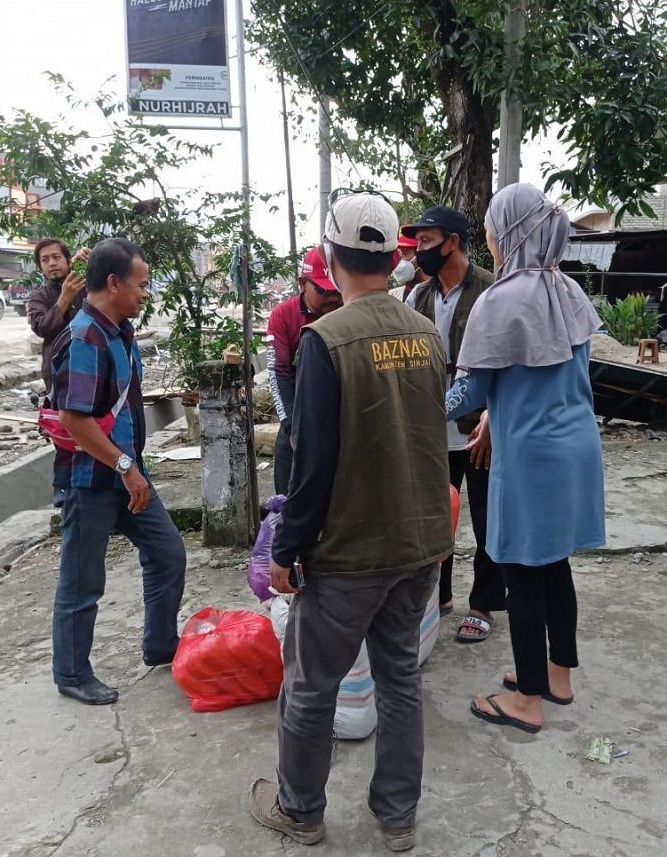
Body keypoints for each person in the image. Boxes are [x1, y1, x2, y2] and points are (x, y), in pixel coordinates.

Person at [249, 192, 452, 851]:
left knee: (311, 686)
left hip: (350, 551)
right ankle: (397, 816)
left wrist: (286, 549)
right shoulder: (426, 332)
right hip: (419, 540)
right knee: (399, 679)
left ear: (330, 256)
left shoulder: (325, 339)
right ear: (393, 256)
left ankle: (299, 810)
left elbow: (311, 463)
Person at [444, 183, 605, 733]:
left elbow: (469, 392)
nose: (488, 234)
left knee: (520, 571)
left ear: (509, 231)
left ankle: (526, 702)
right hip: (576, 447)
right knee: (553, 563)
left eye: (492, 225)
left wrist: (417, 406)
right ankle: (557, 676)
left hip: (532, 456)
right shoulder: (568, 291)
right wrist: (499, 409)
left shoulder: (500, 299)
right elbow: (552, 374)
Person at [49, 238, 186, 705]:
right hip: (92, 480)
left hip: (127, 473)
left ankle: (160, 644)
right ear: (113, 283)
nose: (145, 293)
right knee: (83, 580)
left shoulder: (119, 332)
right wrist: (125, 466)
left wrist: (131, 467)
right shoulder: (84, 338)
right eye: (141, 285)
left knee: (167, 553)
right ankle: (71, 674)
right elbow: (74, 419)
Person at [402, 205, 504, 642]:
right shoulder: (417, 298)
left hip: (478, 429)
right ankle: (438, 597)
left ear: (453, 242)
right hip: (431, 431)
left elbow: (506, 364)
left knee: (486, 518)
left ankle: (482, 604)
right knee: (433, 518)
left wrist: (494, 419)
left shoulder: (491, 291)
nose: (419, 250)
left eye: (427, 241)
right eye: (418, 242)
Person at [266, 246, 342, 494]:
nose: (332, 298)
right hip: (299, 412)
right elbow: (278, 373)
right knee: (288, 493)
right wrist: (291, 427)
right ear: (302, 284)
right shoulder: (283, 316)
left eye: (337, 291)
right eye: (323, 291)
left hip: (341, 416)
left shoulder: (347, 312)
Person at [28, 238, 91, 388]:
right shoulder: (39, 296)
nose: (51, 263)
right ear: (40, 268)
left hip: (92, 364)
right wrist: (65, 298)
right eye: (45, 260)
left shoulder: (86, 285)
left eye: (56, 257)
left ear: (69, 261)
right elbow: (41, 328)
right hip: (59, 371)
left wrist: (93, 258)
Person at [388, 231, 423, 301]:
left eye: (405, 254)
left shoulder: (434, 294)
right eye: (398, 255)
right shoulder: (393, 296)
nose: (400, 261)